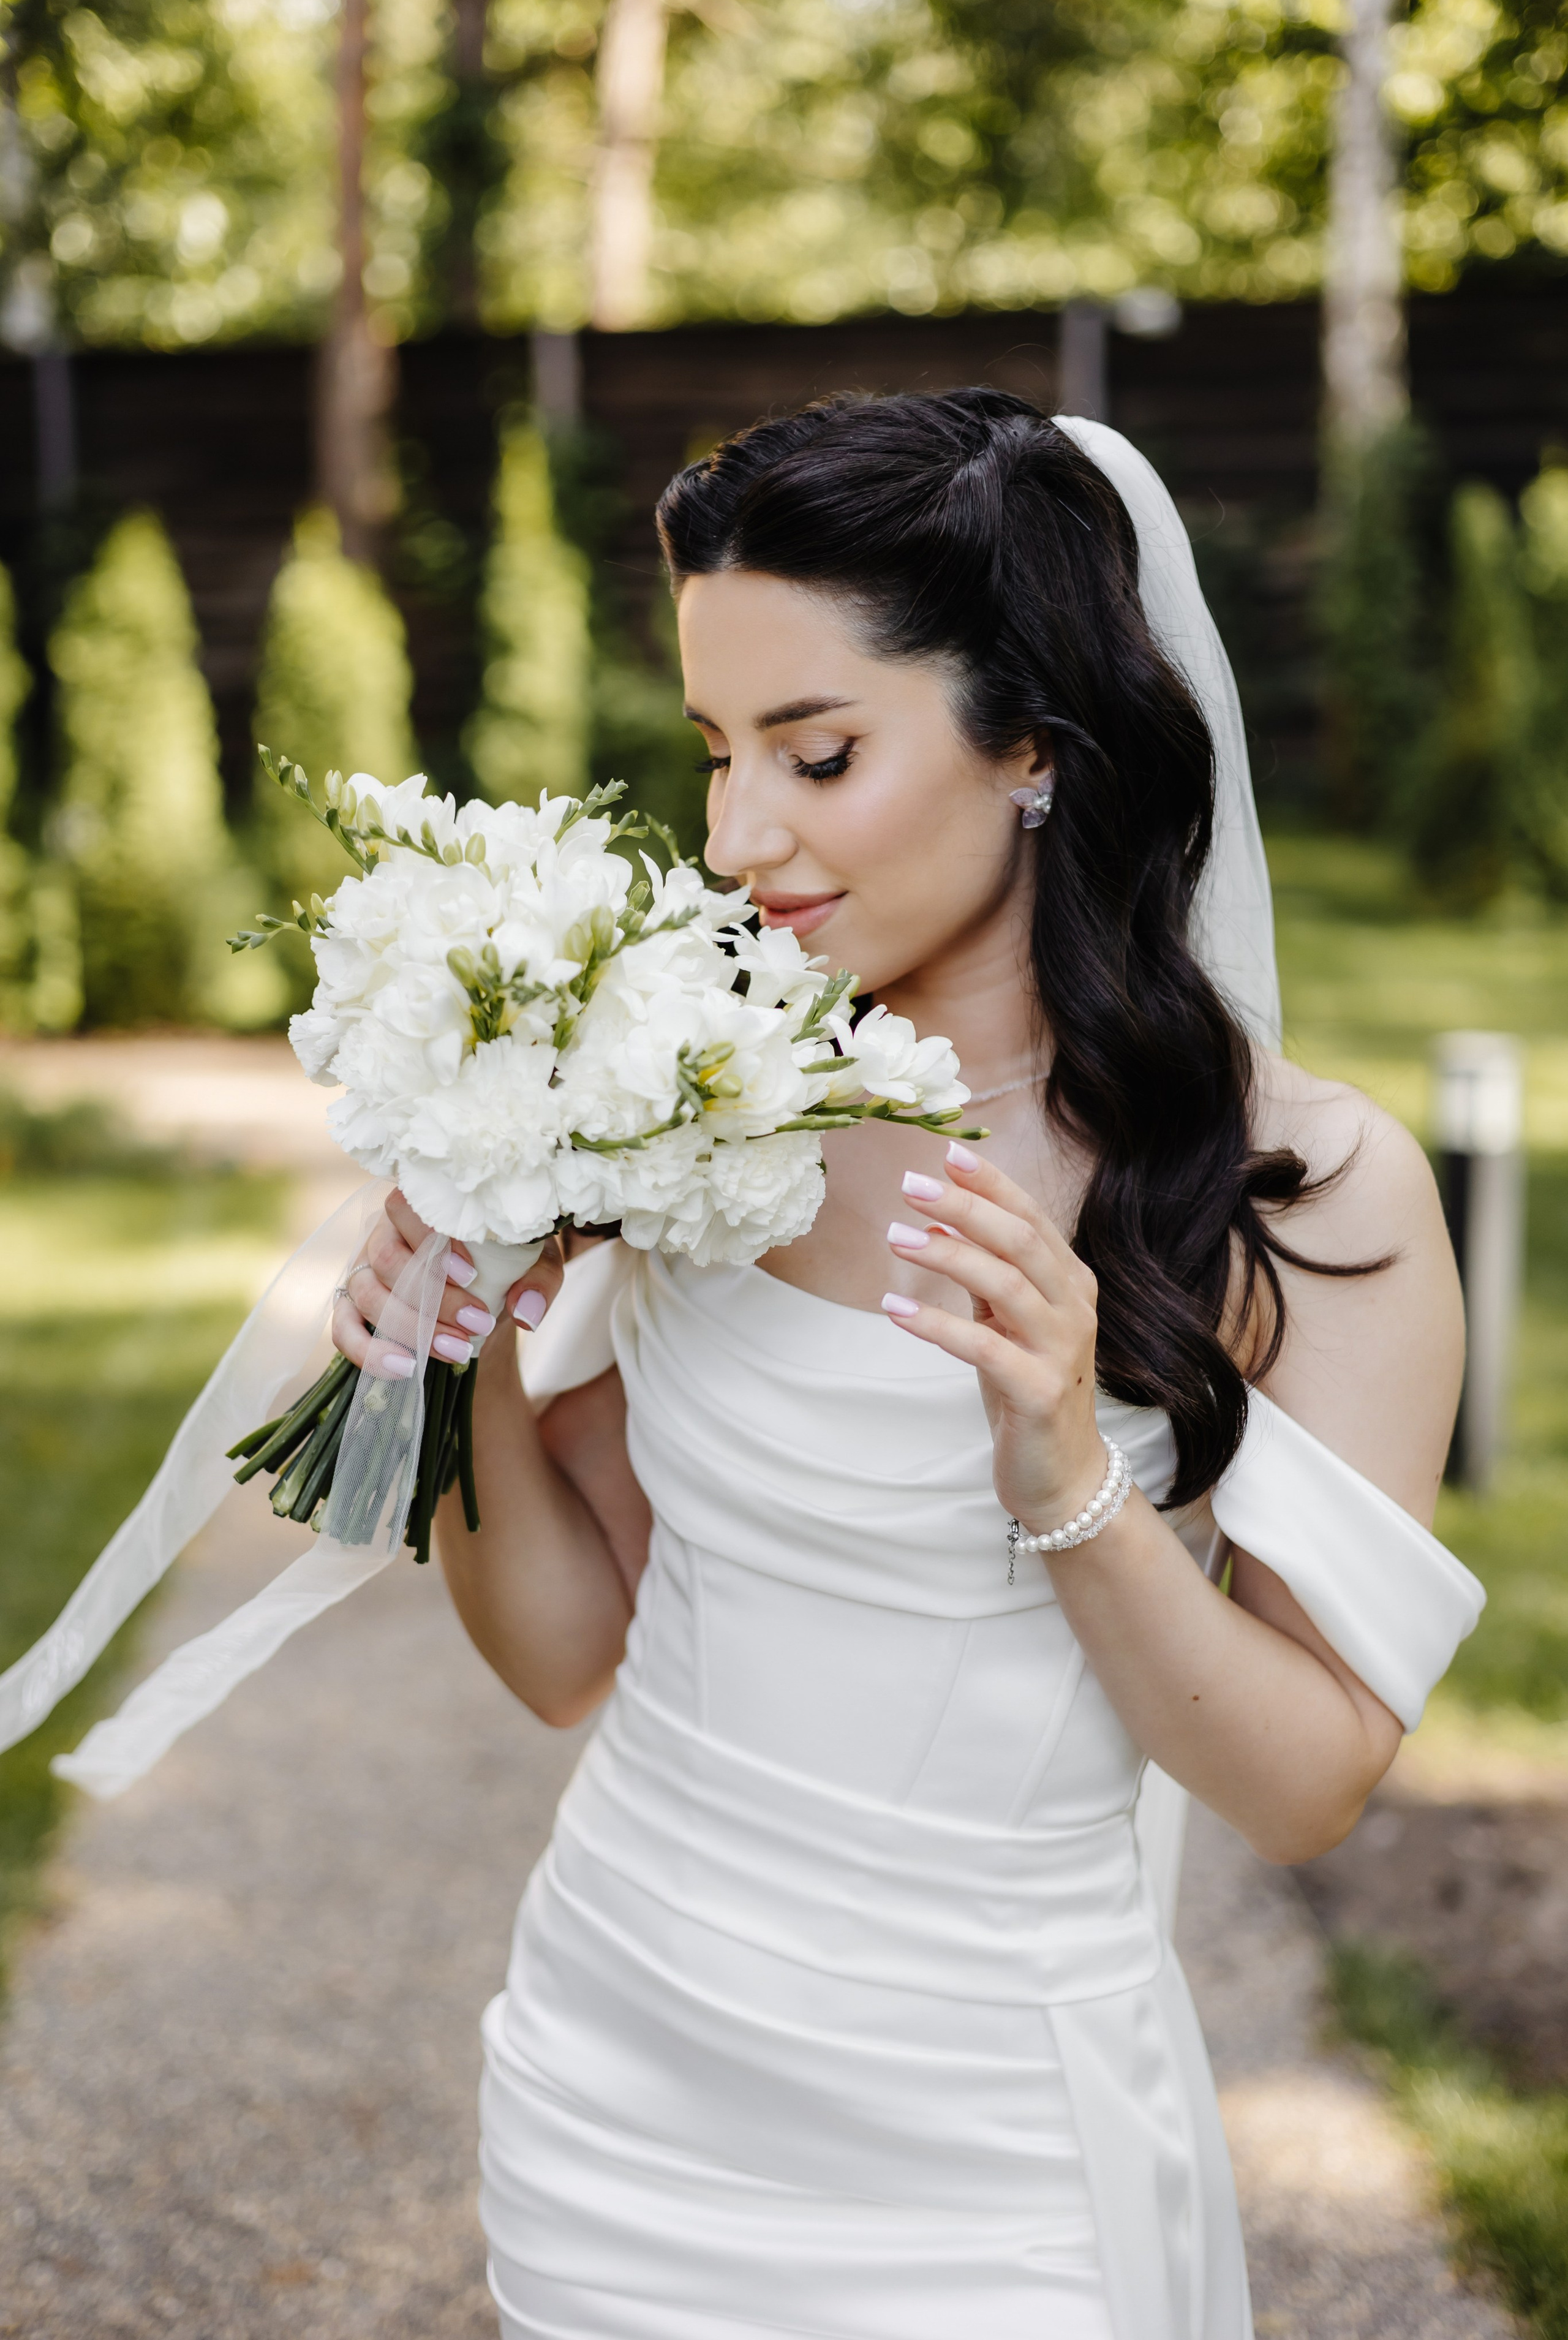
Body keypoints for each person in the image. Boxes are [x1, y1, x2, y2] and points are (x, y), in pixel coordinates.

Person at [331, 392, 1483, 2340]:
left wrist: (1071, 1478)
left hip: (986, 2149)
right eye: (717, 751)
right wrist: (449, 1378)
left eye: (820, 752)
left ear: (1035, 739)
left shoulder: (1307, 1194)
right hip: (620, 2076)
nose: (734, 837)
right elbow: (560, 1655)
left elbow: (1300, 1790)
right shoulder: (701, 1102)